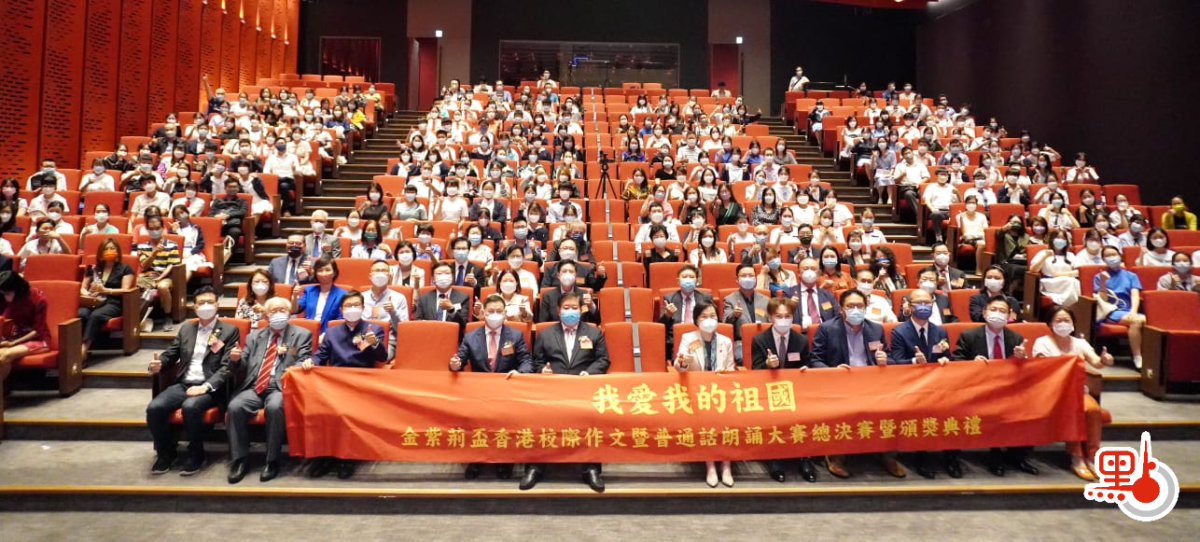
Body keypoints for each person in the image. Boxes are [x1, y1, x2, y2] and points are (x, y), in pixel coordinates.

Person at [145, 287, 239, 476]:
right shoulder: (187, 328)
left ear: (217, 305)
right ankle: (166, 453)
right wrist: (159, 363)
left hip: (211, 386)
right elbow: (171, 353)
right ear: (194, 307)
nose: (206, 306)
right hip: (184, 383)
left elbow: (226, 366)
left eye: (210, 302)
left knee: (191, 406)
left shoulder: (229, 330)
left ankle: (196, 454)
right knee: (155, 408)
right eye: (201, 303)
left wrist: (205, 386)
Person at [523, 292, 609, 492]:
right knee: (538, 419)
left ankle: (591, 469)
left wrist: (590, 372)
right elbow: (536, 361)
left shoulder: (594, 333)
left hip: (583, 390)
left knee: (591, 423)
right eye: (566, 308)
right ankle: (535, 467)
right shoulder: (545, 334)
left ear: (581, 310)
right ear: (558, 311)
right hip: (552, 390)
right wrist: (542, 371)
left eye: (574, 308)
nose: (571, 312)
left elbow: (603, 359)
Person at [811, 289, 900, 478]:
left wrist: (885, 360)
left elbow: (889, 358)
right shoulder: (827, 328)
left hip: (871, 383)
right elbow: (815, 360)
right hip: (839, 384)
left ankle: (887, 455)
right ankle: (836, 457)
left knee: (890, 408)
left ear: (866, 307)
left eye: (860, 306)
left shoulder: (875, 329)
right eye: (850, 306)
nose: (855, 310)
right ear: (841, 309)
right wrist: (833, 371)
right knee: (841, 411)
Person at [225, 297, 313, 484]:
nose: (278, 314)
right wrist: (235, 360)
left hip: (281, 386)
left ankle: (272, 460)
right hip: (255, 384)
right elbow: (242, 365)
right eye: (273, 311)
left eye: (282, 310)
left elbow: (302, 359)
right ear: (266, 315)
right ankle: (240, 459)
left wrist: (297, 366)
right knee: (235, 406)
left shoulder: (301, 335)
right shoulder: (254, 336)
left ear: (289, 314)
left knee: (275, 407)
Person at [303, 291, 389, 479]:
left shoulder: (373, 329)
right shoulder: (332, 332)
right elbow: (321, 355)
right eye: (349, 306)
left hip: (362, 383)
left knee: (346, 412)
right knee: (321, 409)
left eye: (356, 305)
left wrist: (375, 344)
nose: (353, 309)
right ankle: (325, 456)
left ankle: (347, 457)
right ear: (341, 309)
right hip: (335, 382)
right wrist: (312, 361)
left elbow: (383, 358)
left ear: (363, 307)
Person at [450, 294, 534, 480]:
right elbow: (460, 359)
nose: (495, 315)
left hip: (507, 387)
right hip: (480, 390)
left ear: (505, 313)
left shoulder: (515, 335)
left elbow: (526, 360)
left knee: (507, 420)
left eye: (499, 311)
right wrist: (455, 364)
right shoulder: (471, 336)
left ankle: (505, 460)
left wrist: (521, 372)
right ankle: (476, 459)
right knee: (475, 420)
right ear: (483, 313)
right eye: (491, 311)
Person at [953, 295, 1035, 477]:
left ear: (1009, 315)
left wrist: (1022, 358)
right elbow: (956, 363)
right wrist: (972, 363)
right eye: (993, 310)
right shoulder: (969, 336)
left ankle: (1017, 455)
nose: (998, 314)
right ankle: (989, 456)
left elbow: (1023, 372)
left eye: (1002, 311)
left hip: (1006, 390)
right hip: (976, 389)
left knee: (1029, 406)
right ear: (984, 312)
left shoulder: (1015, 337)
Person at [1031, 305, 1114, 481]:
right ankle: (1077, 457)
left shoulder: (1080, 343)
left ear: (1073, 324)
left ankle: (1092, 457)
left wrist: (1104, 360)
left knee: (1093, 410)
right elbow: (1041, 369)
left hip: (1077, 392)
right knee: (1073, 410)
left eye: (1066, 320)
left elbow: (1096, 362)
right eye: (1058, 320)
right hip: (1053, 393)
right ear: (1050, 324)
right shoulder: (1042, 342)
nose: (1063, 323)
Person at [887, 287, 956, 478]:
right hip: (911, 386)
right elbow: (896, 361)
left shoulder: (940, 331)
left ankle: (951, 456)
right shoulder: (899, 331)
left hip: (937, 385)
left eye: (928, 303)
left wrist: (945, 360)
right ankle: (922, 456)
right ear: (909, 306)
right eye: (919, 303)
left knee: (954, 408)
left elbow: (947, 355)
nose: (924, 306)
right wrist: (913, 361)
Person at [749, 297, 816, 483]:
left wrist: (806, 369)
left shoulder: (801, 340)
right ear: (771, 317)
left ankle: (804, 458)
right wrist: (767, 364)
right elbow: (754, 370)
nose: (783, 320)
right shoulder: (759, 340)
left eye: (787, 316)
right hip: (768, 390)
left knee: (807, 413)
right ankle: (775, 457)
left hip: (795, 391)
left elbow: (806, 363)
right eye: (779, 316)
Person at [673, 300, 737, 487]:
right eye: (704, 317)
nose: (709, 320)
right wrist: (683, 362)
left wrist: (726, 377)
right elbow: (678, 365)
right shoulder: (688, 338)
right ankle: (710, 465)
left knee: (727, 420)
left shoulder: (725, 341)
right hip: (697, 392)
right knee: (707, 420)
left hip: (721, 391)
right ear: (696, 320)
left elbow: (731, 368)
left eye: (712, 316)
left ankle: (726, 465)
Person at [1096, 245, 1146, 369]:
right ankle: (1137, 356)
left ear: (1120, 256)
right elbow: (1103, 300)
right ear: (1103, 259)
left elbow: (1135, 295)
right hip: (1112, 311)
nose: (1111, 258)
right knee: (1135, 322)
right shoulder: (1099, 276)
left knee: (1146, 321)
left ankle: (1149, 356)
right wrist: (1103, 282)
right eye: (1107, 256)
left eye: (1114, 254)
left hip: (1129, 310)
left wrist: (1133, 311)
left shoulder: (1131, 276)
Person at [135, 216, 182, 332]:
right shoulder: (142, 246)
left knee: (162, 287)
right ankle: (135, 318)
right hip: (147, 276)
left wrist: (159, 278)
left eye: (157, 228)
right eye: (151, 228)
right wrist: (154, 253)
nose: (154, 231)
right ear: (147, 229)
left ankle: (167, 317)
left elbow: (171, 265)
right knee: (133, 287)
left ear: (162, 228)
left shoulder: (172, 245)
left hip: (166, 276)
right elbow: (144, 266)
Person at [0, 272, 51, 367]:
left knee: (6, 355)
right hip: (15, 337)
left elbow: (37, 331)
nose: (5, 298)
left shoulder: (38, 299)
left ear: (17, 289)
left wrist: (13, 343)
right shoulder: (6, 297)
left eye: (7, 294)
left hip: (38, 340)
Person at [658, 264, 713, 353]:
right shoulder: (669, 298)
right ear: (678, 281)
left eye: (691, 277)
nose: (688, 279)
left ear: (697, 281)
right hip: (677, 341)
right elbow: (661, 326)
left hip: (700, 338)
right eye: (684, 277)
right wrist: (667, 315)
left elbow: (714, 321)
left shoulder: (705, 298)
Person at [290, 255, 346, 333]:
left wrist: (326, 336)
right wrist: (295, 296)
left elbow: (340, 321)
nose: (324, 273)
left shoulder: (343, 294)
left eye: (327, 270)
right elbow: (295, 310)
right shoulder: (309, 290)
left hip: (330, 334)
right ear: (316, 273)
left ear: (334, 273)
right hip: (308, 333)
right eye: (320, 270)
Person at [414, 261, 470, 331]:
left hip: (451, 335)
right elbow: (417, 322)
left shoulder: (463, 297)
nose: (443, 277)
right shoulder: (424, 298)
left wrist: (452, 309)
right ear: (433, 279)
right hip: (429, 334)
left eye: (447, 273)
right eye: (439, 274)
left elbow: (463, 325)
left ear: (452, 277)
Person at [1031, 230, 1081, 307]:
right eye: (1058, 238)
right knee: (1072, 282)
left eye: (1063, 238)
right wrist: (1045, 256)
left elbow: (1079, 272)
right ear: (1052, 239)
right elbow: (1033, 269)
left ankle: (1073, 307)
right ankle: (1066, 307)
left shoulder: (1070, 255)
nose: (1060, 240)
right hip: (1050, 283)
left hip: (1067, 281)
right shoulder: (1043, 253)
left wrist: (1061, 274)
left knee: (1075, 282)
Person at [785, 258, 839, 327]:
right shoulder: (788, 294)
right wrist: (790, 305)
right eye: (805, 268)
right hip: (800, 332)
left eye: (813, 269)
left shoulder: (828, 296)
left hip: (824, 331)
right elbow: (782, 317)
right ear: (798, 273)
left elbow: (836, 317)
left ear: (818, 274)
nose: (809, 271)